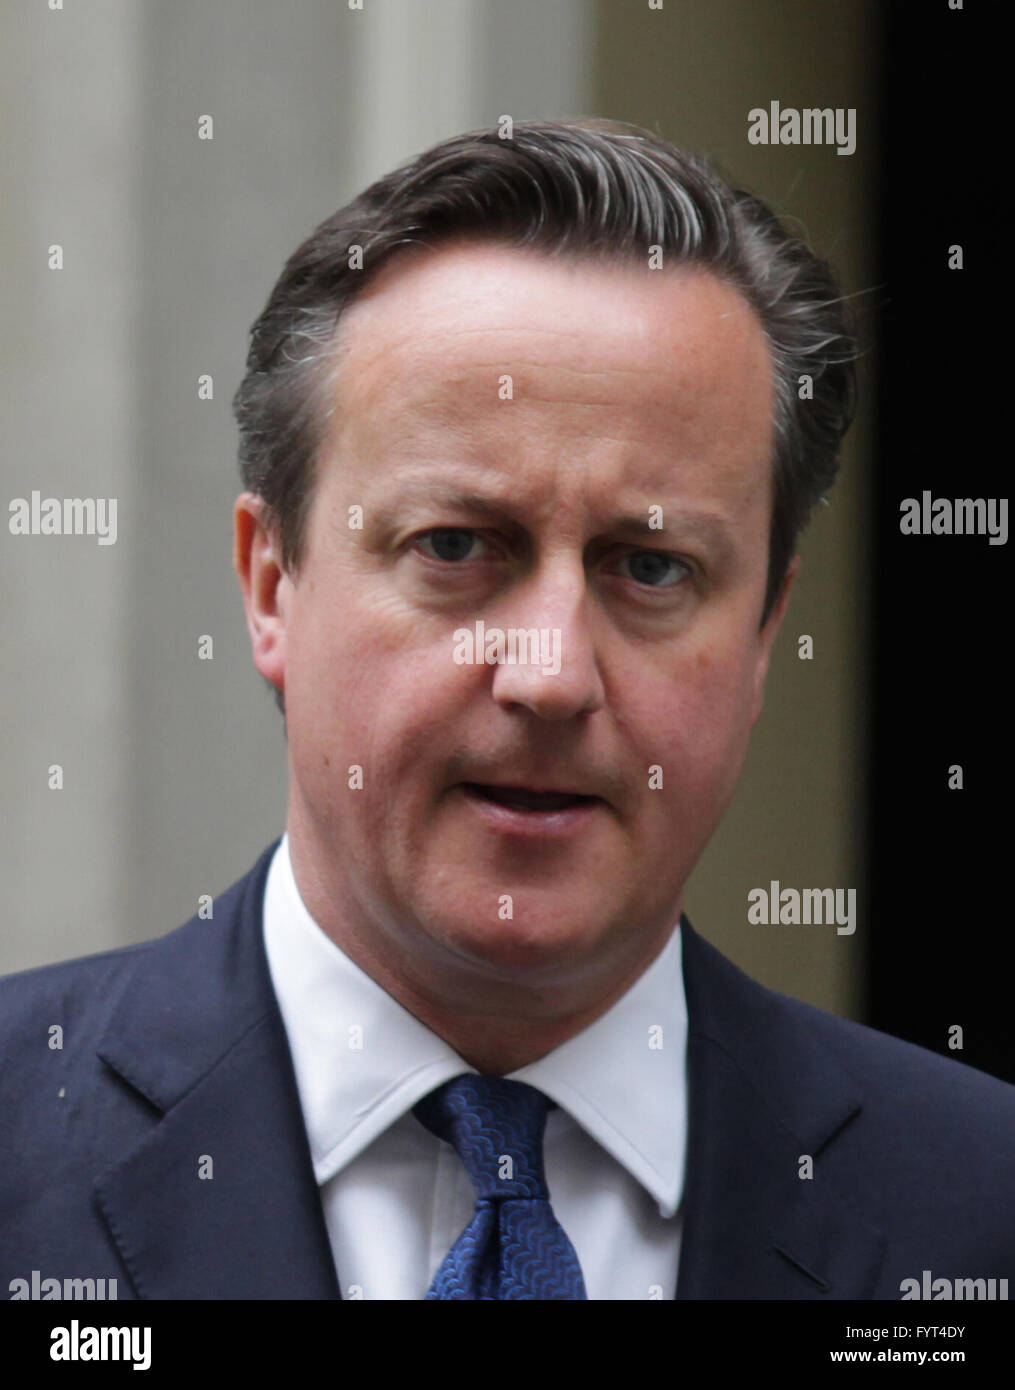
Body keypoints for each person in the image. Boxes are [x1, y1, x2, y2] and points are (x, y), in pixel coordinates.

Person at [3, 120, 1013, 1302]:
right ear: (272, 585)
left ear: (758, 637)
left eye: (649, 567)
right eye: (457, 546)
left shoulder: (977, 1209)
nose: (549, 674)